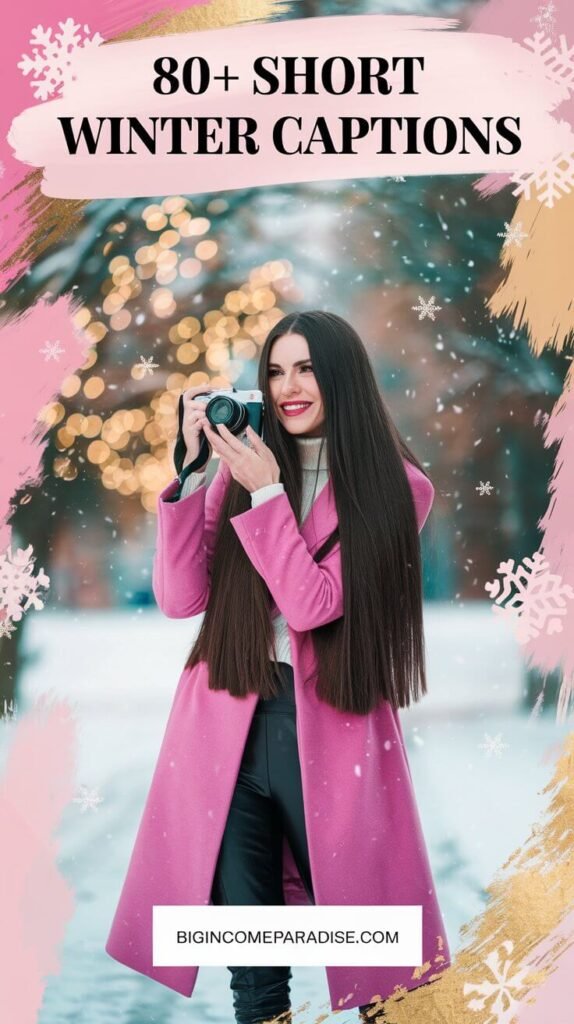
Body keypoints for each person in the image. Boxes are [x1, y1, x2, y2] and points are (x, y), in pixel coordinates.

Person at [105, 310, 451, 1023]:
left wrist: (266, 495)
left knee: (378, 962)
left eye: (306, 368)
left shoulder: (397, 488)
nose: (288, 386)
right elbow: (181, 599)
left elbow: (314, 604)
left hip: (328, 729)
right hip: (224, 723)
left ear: (343, 378)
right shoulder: (244, 467)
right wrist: (195, 476)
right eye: (274, 370)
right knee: (254, 962)